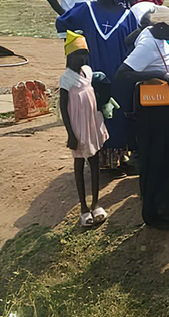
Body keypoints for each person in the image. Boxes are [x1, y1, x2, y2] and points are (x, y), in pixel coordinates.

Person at [115, 6, 169, 230]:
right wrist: (158, 74)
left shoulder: (154, 33)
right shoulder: (147, 45)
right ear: (162, 27)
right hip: (154, 111)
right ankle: (152, 213)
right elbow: (123, 74)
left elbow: (133, 36)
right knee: (155, 158)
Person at [56, 0, 139, 168]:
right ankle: (98, 159)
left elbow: (132, 48)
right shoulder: (85, 9)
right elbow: (62, 23)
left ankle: (117, 160)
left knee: (116, 115)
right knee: (92, 114)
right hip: (91, 75)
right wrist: (74, 51)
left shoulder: (127, 16)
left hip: (118, 76)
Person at [60, 31, 109, 227]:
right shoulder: (66, 79)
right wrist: (70, 134)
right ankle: (83, 208)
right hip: (78, 127)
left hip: (92, 123)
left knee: (95, 161)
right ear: (69, 56)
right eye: (78, 54)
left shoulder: (88, 71)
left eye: (84, 54)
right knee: (80, 163)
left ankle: (96, 203)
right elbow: (64, 109)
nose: (82, 58)